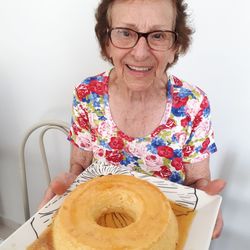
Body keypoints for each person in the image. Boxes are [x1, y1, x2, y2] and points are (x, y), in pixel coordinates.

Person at [40, 0, 225, 239]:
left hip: (163, 232)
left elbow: (198, 181)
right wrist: (69, 185)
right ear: (107, 44)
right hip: (100, 231)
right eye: (125, 33)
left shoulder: (193, 103)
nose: (140, 53)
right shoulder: (87, 94)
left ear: (174, 46)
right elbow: (80, 168)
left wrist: (206, 205)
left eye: (158, 35)